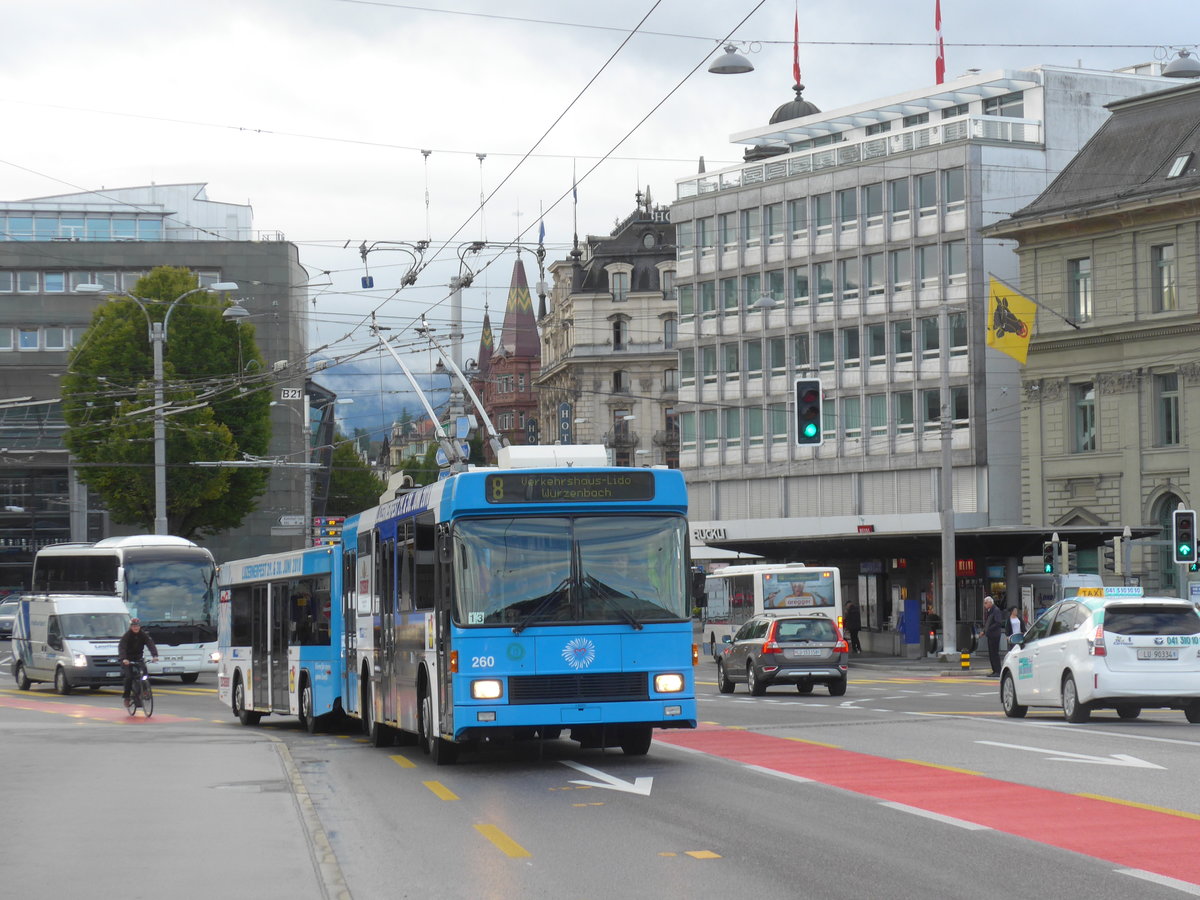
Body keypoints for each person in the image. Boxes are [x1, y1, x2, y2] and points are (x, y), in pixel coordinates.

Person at [119, 617, 158, 703]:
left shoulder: (143, 635)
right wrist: (124, 659)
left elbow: (150, 644)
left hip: (138, 658)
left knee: (144, 674)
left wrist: (154, 655)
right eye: (133, 626)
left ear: (139, 626)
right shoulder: (126, 636)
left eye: (137, 626)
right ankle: (127, 697)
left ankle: (145, 690)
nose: (135, 628)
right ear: (130, 627)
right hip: (127, 659)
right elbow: (122, 648)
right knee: (129, 677)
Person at [982, 596, 1005, 677]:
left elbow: (998, 622)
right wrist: (984, 631)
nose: (984, 605)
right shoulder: (990, 611)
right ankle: (994, 670)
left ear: (990, 603)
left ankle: (997, 671)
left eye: (986, 603)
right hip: (991, 634)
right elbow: (988, 622)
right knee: (991, 653)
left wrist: (988, 629)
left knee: (994, 653)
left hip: (994, 635)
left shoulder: (995, 610)